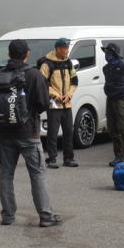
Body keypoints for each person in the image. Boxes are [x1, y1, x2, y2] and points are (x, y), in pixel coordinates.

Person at [0, 39, 62, 227]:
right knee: (37, 174)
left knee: (6, 174)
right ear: (27, 54)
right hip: (28, 132)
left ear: (8, 54)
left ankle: (8, 216)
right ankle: (45, 215)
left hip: (4, 133)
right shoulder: (33, 75)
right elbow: (42, 103)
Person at [39, 38, 79, 168]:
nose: (65, 51)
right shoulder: (47, 64)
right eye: (63, 48)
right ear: (56, 49)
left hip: (66, 104)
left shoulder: (69, 63)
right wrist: (55, 95)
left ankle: (69, 158)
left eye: (66, 48)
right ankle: (52, 158)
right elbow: (43, 83)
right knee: (53, 133)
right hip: (54, 104)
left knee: (68, 131)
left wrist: (69, 95)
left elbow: (75, 81)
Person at [102, 42, 124, 167]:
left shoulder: (123, 65)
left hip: (121, 99)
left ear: (115, 53)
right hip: (110, 99)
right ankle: (118, 156)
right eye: (105, 53)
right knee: (112, 128)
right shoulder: (106, 68)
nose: (107, 55)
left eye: (109, 53)